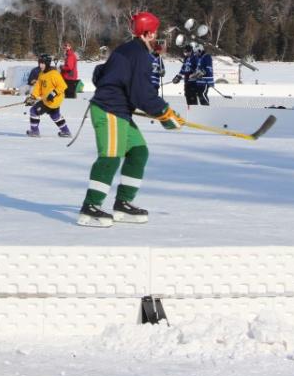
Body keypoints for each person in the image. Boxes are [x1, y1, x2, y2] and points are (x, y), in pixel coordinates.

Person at [79, 11, 185, 228]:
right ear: (147, 33)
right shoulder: (139, 56)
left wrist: (122, 95)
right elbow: (142, 93)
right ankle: (90, 207)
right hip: (110, 110)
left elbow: (100, 72)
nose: (156, 37)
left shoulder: (127, 49)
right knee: (110, 157)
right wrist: (165, 113)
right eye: (155, 32)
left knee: (138, 151)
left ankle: (123, 203)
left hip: (120, 111)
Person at [24, 54, 72, 137]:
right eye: (40, 63)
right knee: (55, 115)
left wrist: (53, 94)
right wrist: (33, 97)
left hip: (52, 100)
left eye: (43, 63)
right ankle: (66, 131)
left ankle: (34, 131)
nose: (40, 65)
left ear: (47, 63)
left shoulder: (54, 74)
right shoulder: (41, 74)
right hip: (50, 100)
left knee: (34, 111)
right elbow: (38, 87)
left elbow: (63, 86)